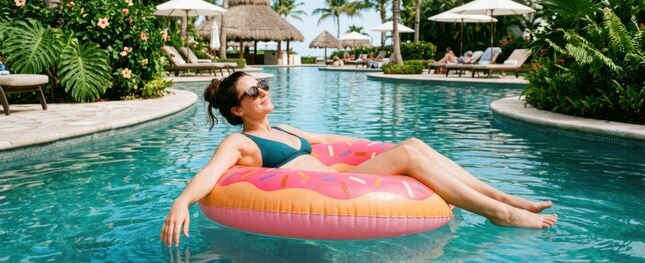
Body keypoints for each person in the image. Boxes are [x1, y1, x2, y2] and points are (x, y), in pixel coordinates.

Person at [160, 72, 557, 246]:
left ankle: (506, 199)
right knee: (409, 152)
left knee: (412, 144)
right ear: (237, 110)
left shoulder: (287, 129)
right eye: (253, 92)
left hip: (340, 174)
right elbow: (210, 173)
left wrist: (377, 149)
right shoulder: (241, 144)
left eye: (263, 85)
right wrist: (182, 201)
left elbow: (333, 140)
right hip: (324, 189)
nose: (263, 92)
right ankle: (500, 213)